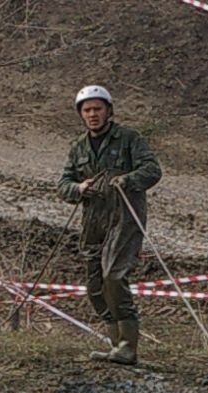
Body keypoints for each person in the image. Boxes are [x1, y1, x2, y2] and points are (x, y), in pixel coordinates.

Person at [57, 85, 161, 365]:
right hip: (93, 221)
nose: (92, 114)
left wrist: (128, 180)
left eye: (97, 109)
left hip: (125, 218)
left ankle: (128, 345)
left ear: (108, 110)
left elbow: (152, 170)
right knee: (95, 286)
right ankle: (116, 346)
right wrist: (78, 188)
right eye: (87, 110)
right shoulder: (78, 147)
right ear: (81, 114)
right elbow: (63, 184)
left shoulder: (129, 139)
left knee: (113, 276)